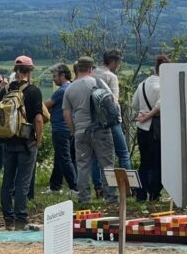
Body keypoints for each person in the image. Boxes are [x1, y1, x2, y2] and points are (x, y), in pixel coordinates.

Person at [0, 55, 44, 229]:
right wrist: (38, 140)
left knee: (7, 181)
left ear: (15, 70)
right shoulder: (33, 91)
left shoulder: (6, 91)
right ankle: (21, 218)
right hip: (26, 142)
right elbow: (38, 119)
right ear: (30, 71)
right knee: (23, 182)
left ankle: (8, 218)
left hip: (8, 140)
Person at [65, 56, 116, 205]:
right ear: (90, 69)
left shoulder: (70, 88)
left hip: (81, 131)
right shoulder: (97, 82)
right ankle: (110, 197)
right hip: (100, 129)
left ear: (77, 69)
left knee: (82, 165)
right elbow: (111, 100)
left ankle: (84, 198)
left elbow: (67, 114)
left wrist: (74, 130)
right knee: (107, 164)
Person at [92, 49, 132, 199]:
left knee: (96, 156)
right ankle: (127, 186)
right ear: (114, 61)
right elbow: (114, 101)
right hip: (112, 122)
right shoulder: (111, 77)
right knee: (123, 153)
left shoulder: (93, 74)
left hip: (96, 122)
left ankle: (98, 187)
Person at [132, 55, 168, 201]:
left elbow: (135, 104)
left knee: (144, 162)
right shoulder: (165, 85)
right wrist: (151, 113)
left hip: (142, 128)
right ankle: (154, 192)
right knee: (158, 162)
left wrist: (144, 113)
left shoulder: (142, 84)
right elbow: (162, 104)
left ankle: (141, 193)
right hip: (157, 128)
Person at [45, 63, 77, 195]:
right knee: (60, 157)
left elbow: (45, 105)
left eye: (54, 76)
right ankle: (55, 186)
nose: (53, 79)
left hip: (60, 128)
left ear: (62, 75)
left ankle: (75, 187)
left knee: (64, 158)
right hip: (69, 127)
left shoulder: (61, 90)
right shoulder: (72, 87)